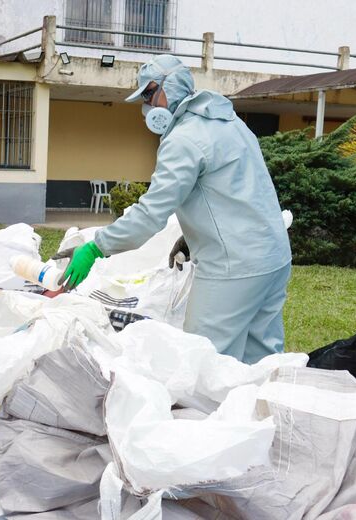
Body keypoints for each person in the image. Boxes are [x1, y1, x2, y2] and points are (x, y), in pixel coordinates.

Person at [61, 54, 291, 364]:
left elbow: (150, 215)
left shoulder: (183, 140)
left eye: (148, 96)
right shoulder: (229, 122)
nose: (146, 108)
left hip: (234, 269)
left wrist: (96, 247)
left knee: (203, 365)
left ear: (168, 88)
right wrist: (192, 235)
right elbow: (239, 192)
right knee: (262, 363)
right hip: (273, 259)